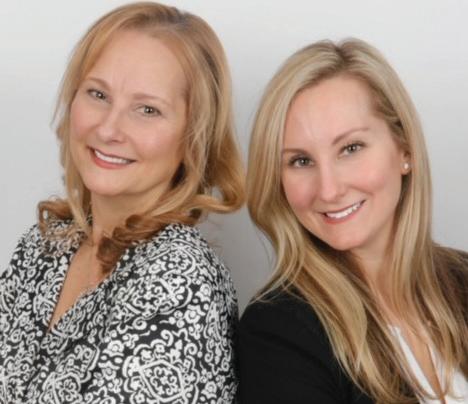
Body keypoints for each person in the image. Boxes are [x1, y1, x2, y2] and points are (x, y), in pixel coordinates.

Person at [0, 2, 244, 403]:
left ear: (194, 138)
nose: (109, 128)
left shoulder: (180, 278)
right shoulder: (46, 245)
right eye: (98, 94)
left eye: (147, 110)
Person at [238, 38, 468, 404]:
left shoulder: (463, 281)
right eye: (300, 161)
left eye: (350, 148)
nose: (329, 190)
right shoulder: (279, 331)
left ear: (404, 150)